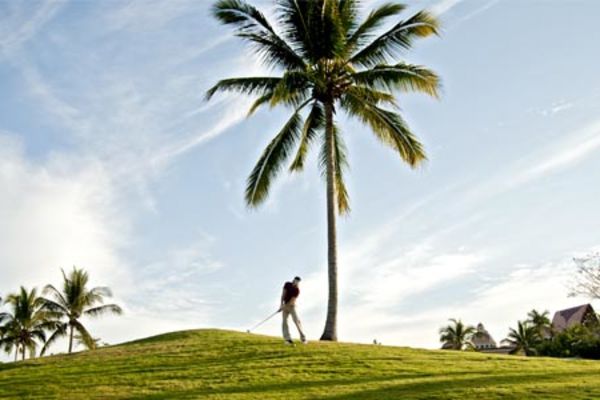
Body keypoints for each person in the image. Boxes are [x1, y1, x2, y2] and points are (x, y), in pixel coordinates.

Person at [280, 276, 307, 345]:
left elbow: (292, 301)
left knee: (296, 320)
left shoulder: (297, 290)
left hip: (292, 306)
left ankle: (303, 338)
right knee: (284, 322)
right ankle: (288, 339)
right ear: (293, 280)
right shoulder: (287, 284)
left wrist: (284, 306)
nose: (296, 282)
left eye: (297, 282)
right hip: (285, 305)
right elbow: (283, 294)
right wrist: (281, 304)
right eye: (295, 280)